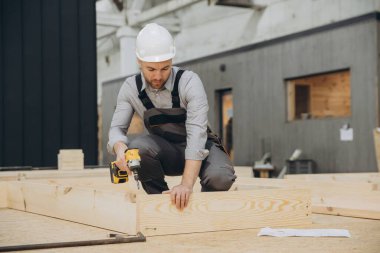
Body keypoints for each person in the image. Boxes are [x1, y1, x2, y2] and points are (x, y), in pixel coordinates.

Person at [108, 23, 236, 210]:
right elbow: (117, 129)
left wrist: (186, 185)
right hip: (166, 151)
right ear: (139, 61)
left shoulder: (190, 82)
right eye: (151, 69)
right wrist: (120, 149)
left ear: (172, 59)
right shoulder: (130, 88)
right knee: (138, 148)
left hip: (200, 147)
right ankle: (162, 203)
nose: (158, 76)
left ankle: (201, 207)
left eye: (165, 68)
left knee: (221, 177)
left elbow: (196, 135)